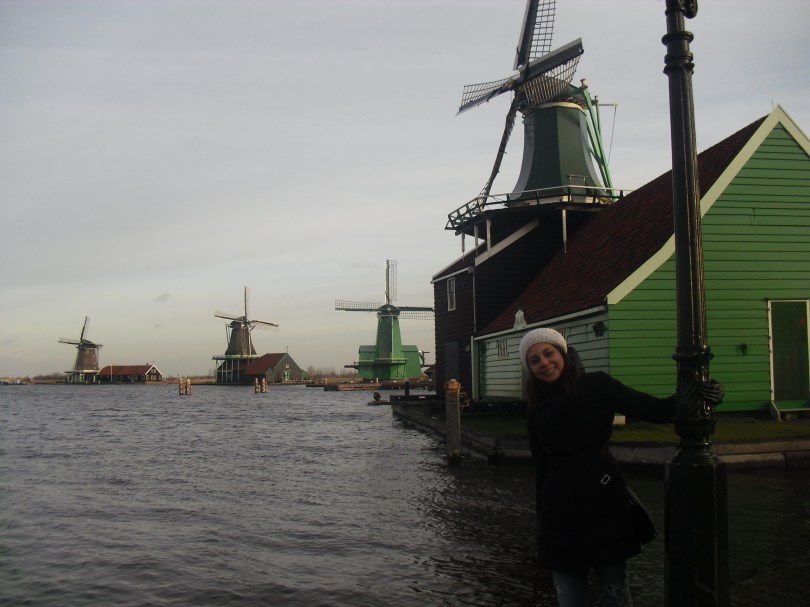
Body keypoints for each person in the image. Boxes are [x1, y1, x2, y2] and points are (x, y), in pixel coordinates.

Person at [519, 327, 723, 607]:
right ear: (530, 368)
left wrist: (700, 396)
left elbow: (654, 409)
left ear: (562, 353)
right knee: (568, 593)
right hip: (559, 510)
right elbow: (540, 463)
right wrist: (542, 513)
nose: (544, 363)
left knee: (614, 589)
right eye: (535, 360)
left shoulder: (597, 386)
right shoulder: (535, 406)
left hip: (601, 500)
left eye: (548, 353)